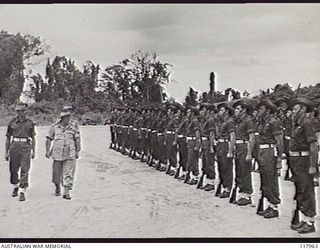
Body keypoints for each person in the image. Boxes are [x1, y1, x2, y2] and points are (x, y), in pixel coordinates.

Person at [289, 98, 317, 234]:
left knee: (307, 190)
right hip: (296, 160)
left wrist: (313, 166)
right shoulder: (297, 124)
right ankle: (305, 219)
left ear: (303, 109)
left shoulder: (307, 124)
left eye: (295, 109)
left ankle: (310, 222)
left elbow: (313, 145)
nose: (293, 112)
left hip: (304, 159)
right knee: (300, 190)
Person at [256, 99, 283, 219]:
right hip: (262, 151)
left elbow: (280, 142)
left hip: (270, 151)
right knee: (265, 178)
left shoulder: (274, 122)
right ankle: (269, 205)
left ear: (268, 110)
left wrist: (279, 160)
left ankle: (275, 207)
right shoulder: (261, 122)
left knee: (271, 179)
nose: (258, 111)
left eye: (261, 109)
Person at [46, 110, 81, 199]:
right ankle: (57, 186)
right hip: (57, 153)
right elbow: (49, 139)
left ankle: (66, 191)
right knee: (56, 173)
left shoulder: (73, 128)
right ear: (62, 118)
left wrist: (77, 151)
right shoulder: (54, 128)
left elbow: (77, 139)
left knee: (68, 172)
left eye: (69, 117)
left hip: (70, 153)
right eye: (67, 117)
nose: (69, 119)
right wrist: (47, 151)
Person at [5, 102, 36, 201]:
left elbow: (33, 137)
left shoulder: (30, 123)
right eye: (18, 111)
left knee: (25, 169)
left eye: (22, 111)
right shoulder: (12, 122)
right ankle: (15, 186)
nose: (20, 113)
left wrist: (33, 151)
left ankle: (22, 191)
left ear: (25, 111)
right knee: (13, 170)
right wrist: (6, 152)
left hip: (26, 147)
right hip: (14, 147)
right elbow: (8, 138)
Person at [232, 99, 256, 206]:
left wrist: (249, 153)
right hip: (238, 147)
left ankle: (247, 195)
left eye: (238, 109)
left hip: (244, 146)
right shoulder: (239, 121)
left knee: (245, 171)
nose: (236, 111)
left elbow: (252, 138)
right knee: (239, 171)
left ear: (244, 110)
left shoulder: (248, 121)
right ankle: (242, 193)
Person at [215, 102, 236, 198]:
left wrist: (230, 151)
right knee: (221, 167)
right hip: (220, 144)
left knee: (226, 167)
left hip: (225, 144)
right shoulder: (222, 121)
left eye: (222, 110)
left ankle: (228, 188)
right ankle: (224, 186)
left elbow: (232, 136)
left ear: (227, 111)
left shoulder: (230, 121)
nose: (220, 112)